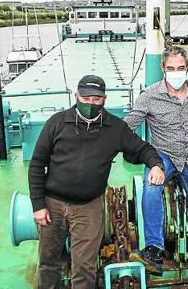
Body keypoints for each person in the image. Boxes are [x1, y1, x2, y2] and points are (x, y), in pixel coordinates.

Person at [28, 75, 165, 289]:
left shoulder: (115, 128)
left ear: (104, 100)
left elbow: (142, 149)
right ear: (76, 96)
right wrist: (39, 206)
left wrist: (156, 165)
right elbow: (37, 164)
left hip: (89, 208)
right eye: (86, 98)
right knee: (48, 262)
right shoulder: (57, 123)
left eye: (96, 99)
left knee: (85, 267)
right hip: (52, 205)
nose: (91, 103)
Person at [124, 47, 188, 289]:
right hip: (162, 157)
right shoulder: (149, 96)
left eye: (180, 68)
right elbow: (127, 128)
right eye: (170, 69)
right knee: (151, 188)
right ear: (163, 69)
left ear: (187, 68)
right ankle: (155, 250)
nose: (176, 73)